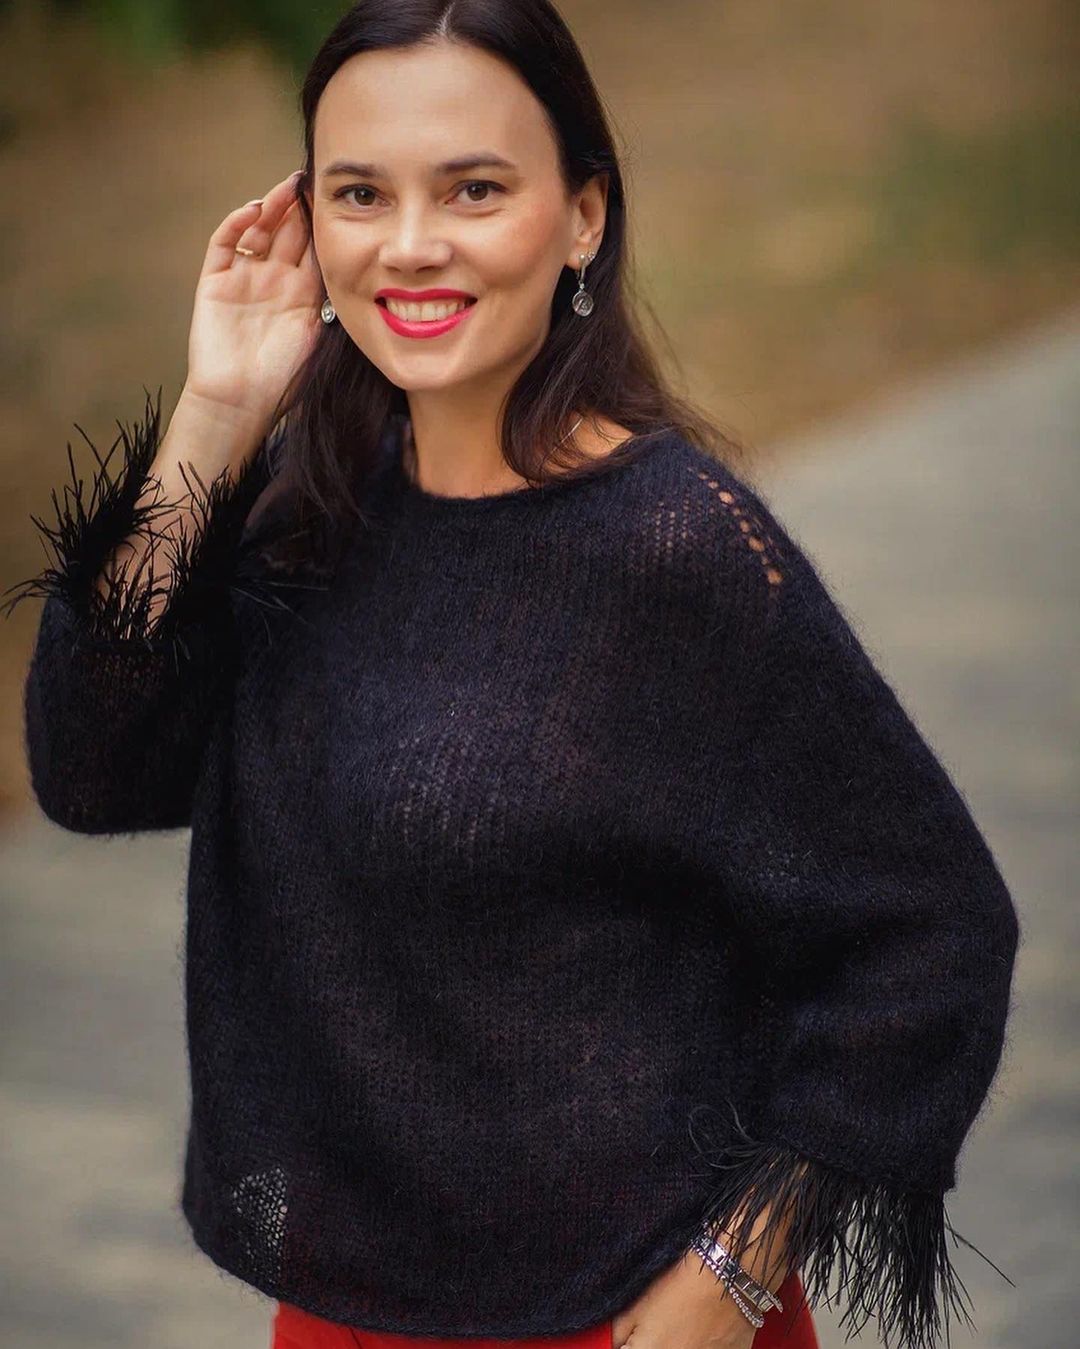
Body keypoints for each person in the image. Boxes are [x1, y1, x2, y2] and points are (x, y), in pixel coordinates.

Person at [1, 3, 1020, 1348]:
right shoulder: (309, 509)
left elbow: (932, 928)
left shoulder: (674, 551)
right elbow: (90, 769)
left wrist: (734, 1270)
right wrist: (216, 415)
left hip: (619, 1313)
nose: (412, 243)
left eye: (473, 189)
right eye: (361, 193)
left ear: (582, 216)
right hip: (347, 1308)